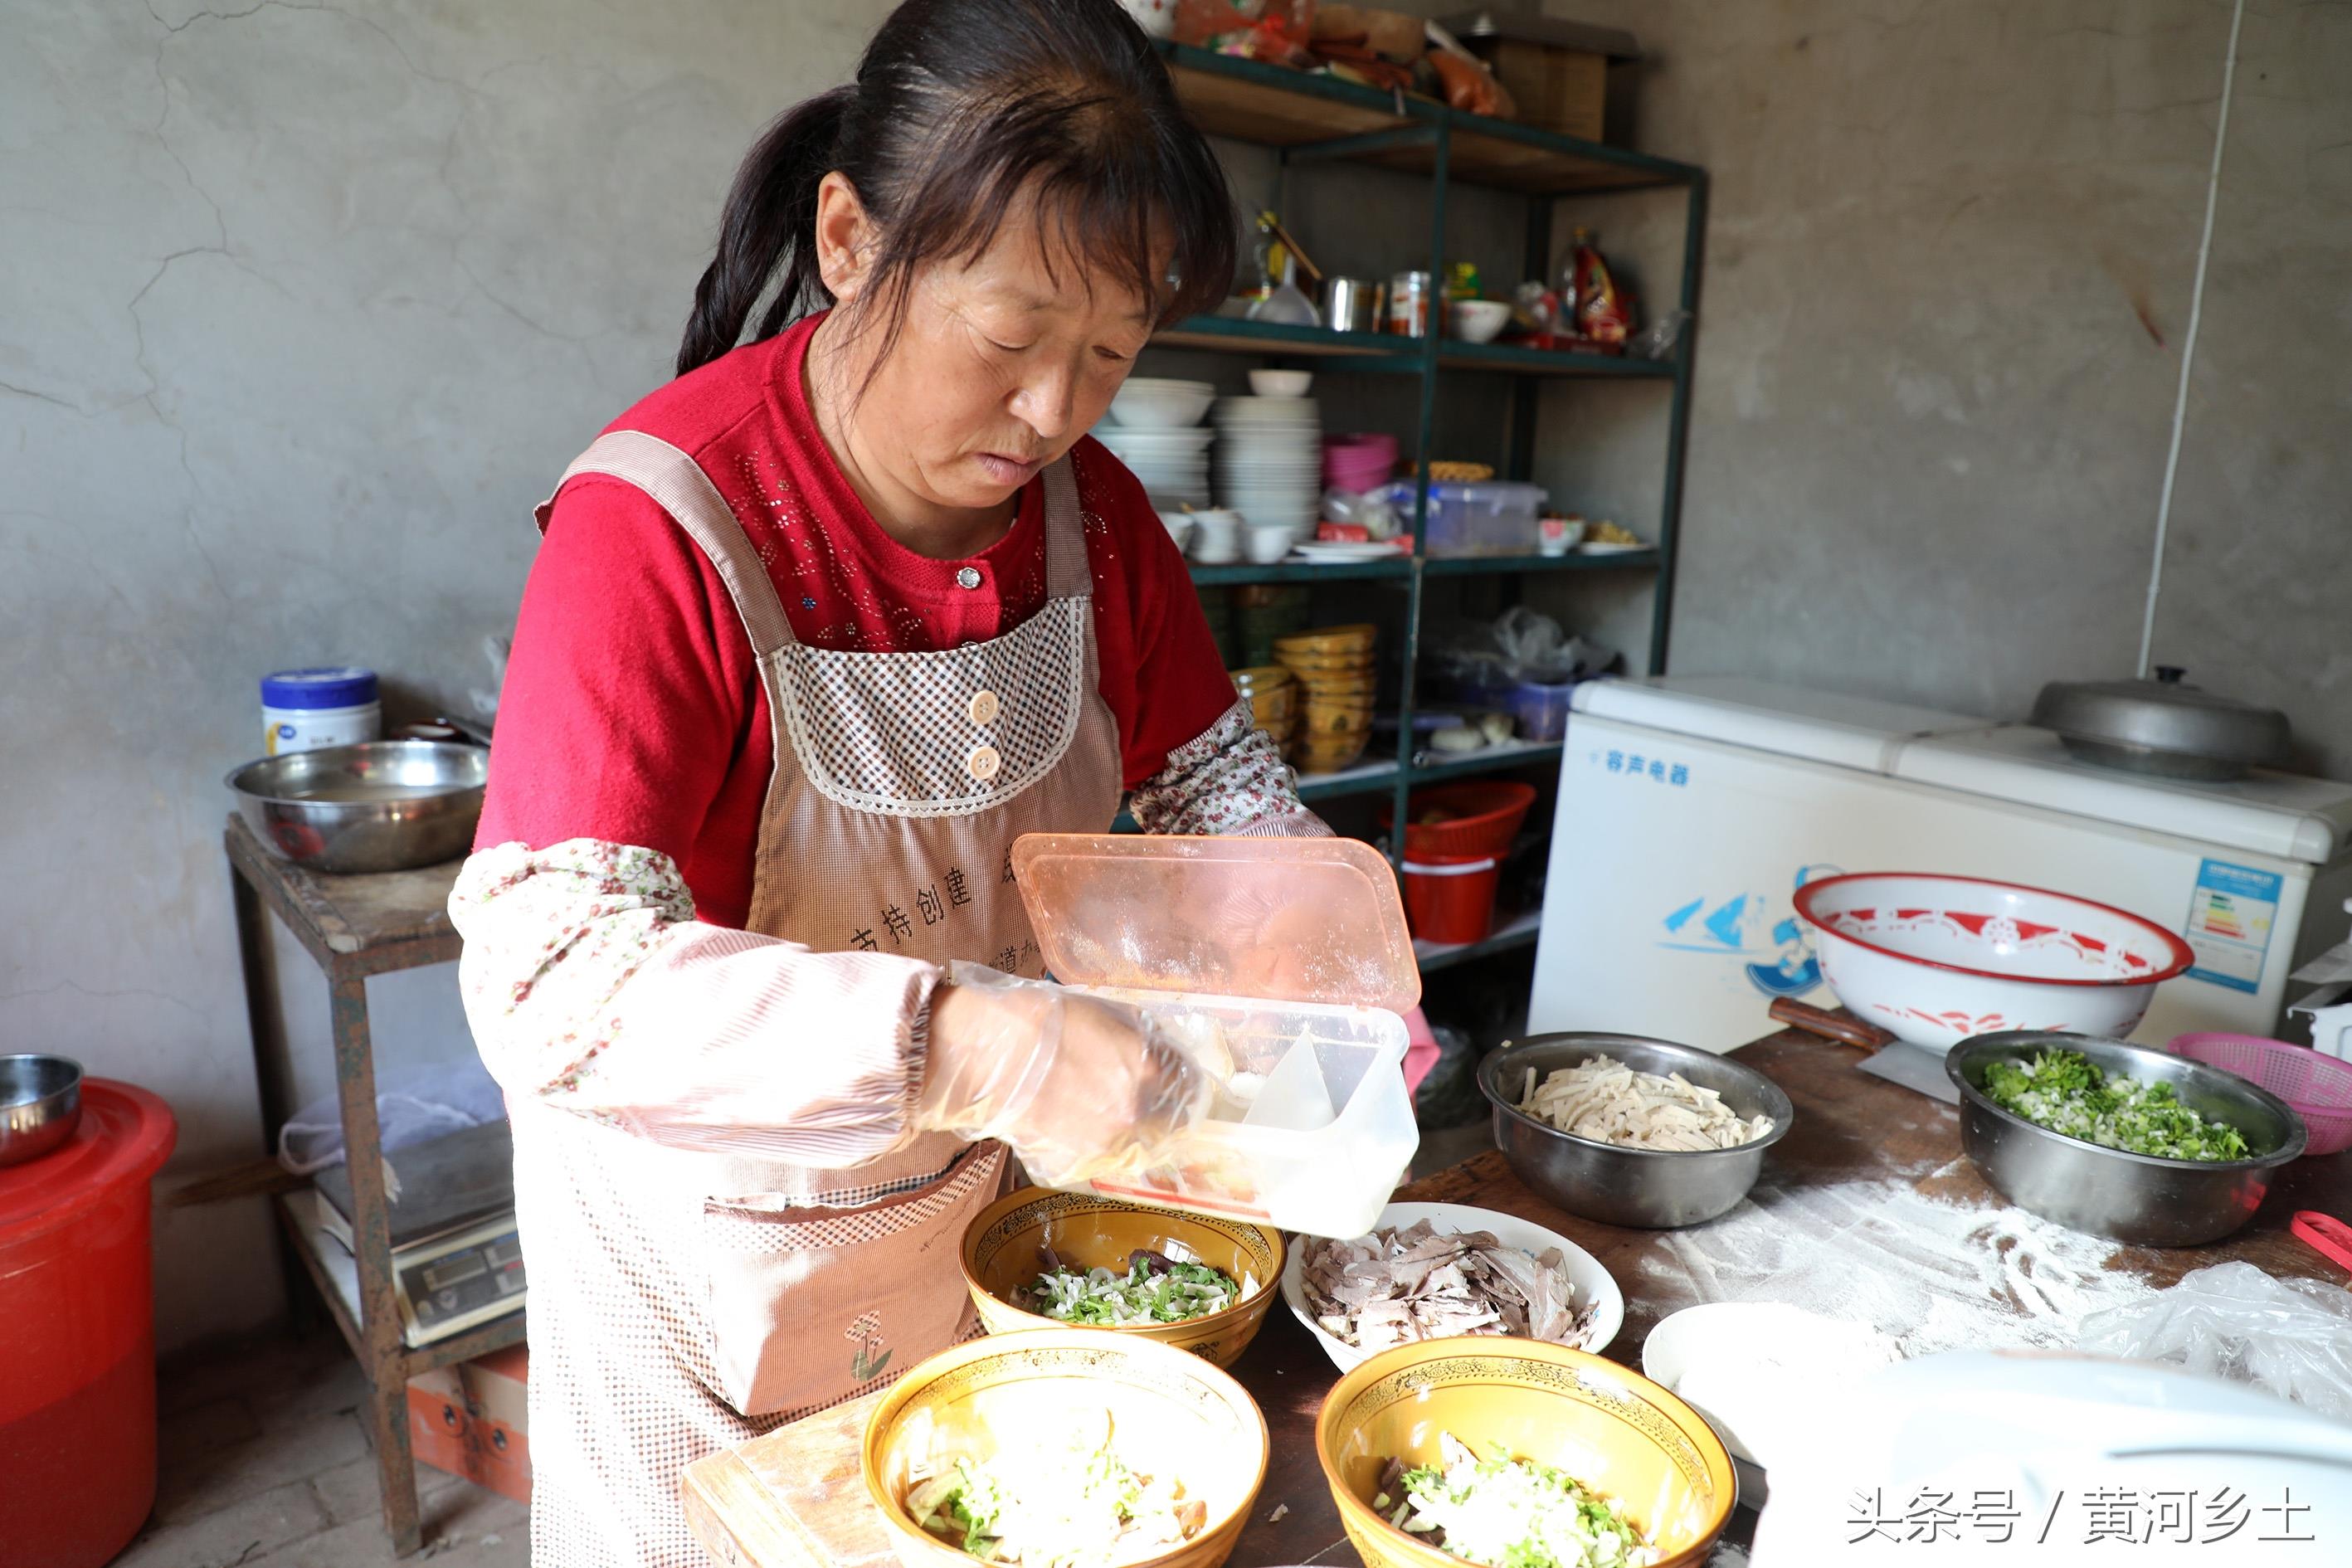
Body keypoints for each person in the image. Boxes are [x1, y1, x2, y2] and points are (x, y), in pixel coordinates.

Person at [447, 2, 1331, 1563]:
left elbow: (1215, 780)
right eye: (1010, 338)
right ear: (852, 237)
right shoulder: (666, 522)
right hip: (709, 1280)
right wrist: (973, 1037)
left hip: (982, 1236)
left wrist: (1325, 941)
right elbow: (555, 980)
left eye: (1113, 356)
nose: (1056, 410)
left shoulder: (1097, 516)